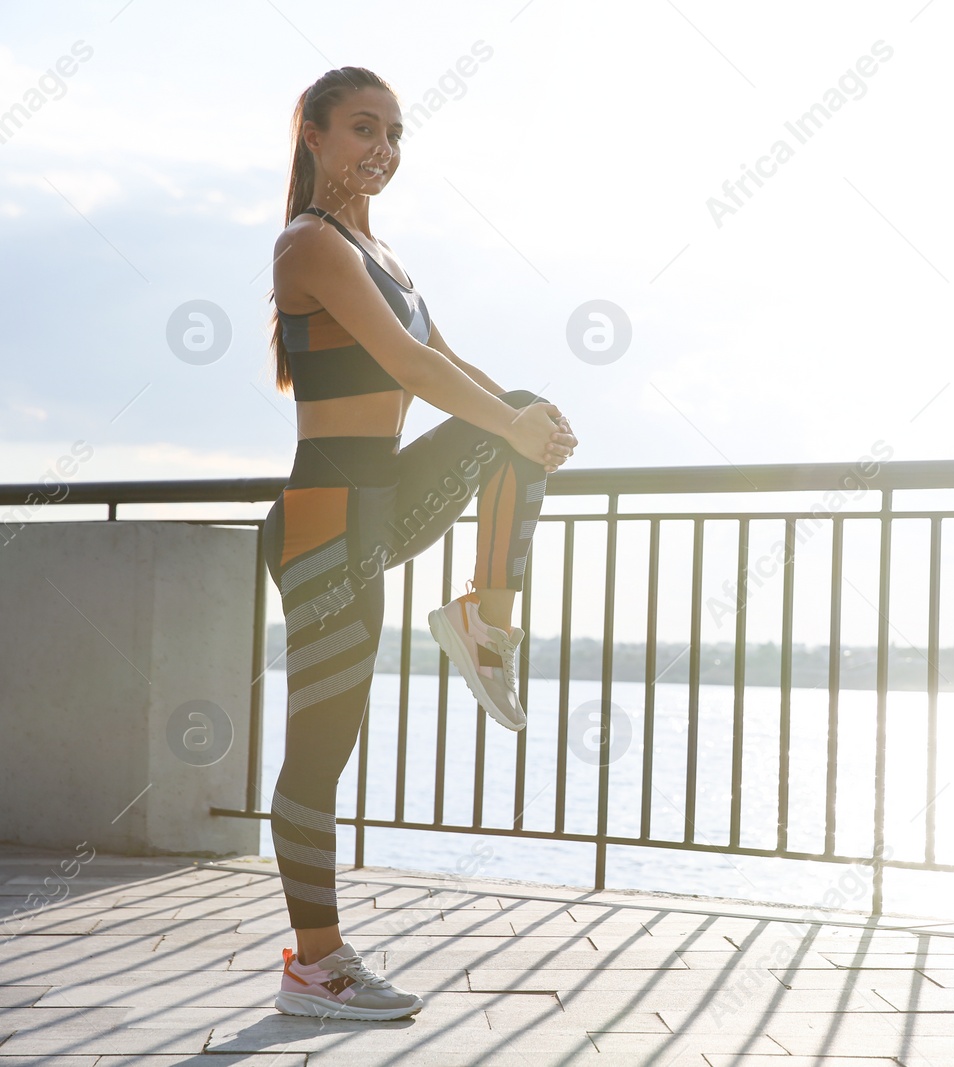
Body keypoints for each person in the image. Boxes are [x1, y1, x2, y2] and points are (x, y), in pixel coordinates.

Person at [258, 66, 578, 1021]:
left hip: (379, 503)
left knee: (514, 410)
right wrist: (507, 426)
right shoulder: (309, 245)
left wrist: (530, 424)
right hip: (323, 519)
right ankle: (315, 965)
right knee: (325, 746)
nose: (382, 149)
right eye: (363, 129)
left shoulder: (383, 253)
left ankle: (484, 621)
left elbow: (446, 361)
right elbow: (404, 365)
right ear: (311, 134)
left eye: (395, 133)